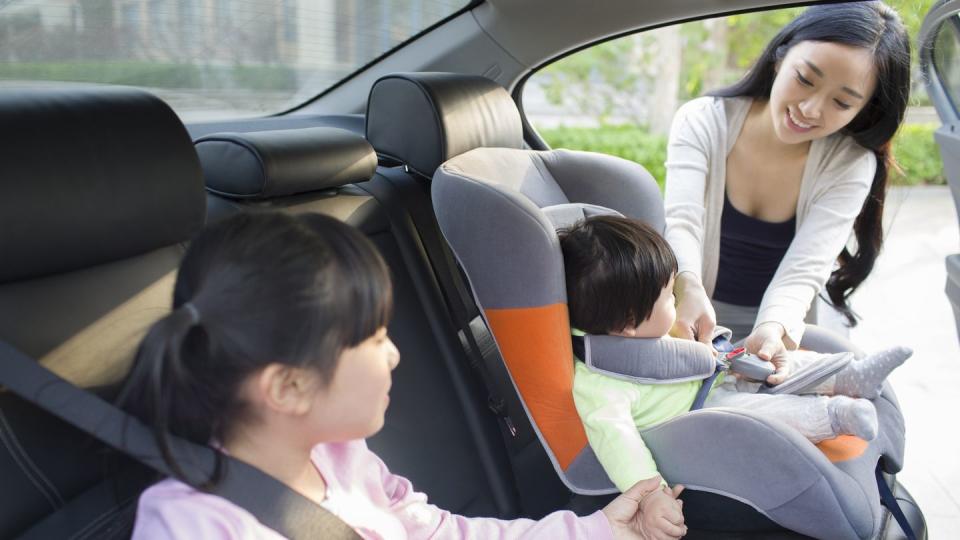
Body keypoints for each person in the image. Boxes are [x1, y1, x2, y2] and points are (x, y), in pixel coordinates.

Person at [117, 211, 686, 540]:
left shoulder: (344, 459)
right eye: (374, 340)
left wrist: (597, 531)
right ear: (288, 386)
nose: (393, 356)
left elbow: (439, 533)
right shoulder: (194, 523)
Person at [560, 215, 912, 494]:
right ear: (628, 324)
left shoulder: (641, 324)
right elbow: (617, 443)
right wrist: (650, 494)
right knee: (765, 413)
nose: (675, 299)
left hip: (716, 375)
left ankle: (847, 376)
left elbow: (691, 348)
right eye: (668, 296)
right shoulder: (601, 384)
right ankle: (836, 415)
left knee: (777, 363)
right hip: (702, 417)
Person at [663, 2, 912, 378]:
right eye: (806, 79)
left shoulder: (850, 163)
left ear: (864, 110)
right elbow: (681, 223)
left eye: (842, 102)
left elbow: (804, 270)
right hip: (685, 315)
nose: (811, 109)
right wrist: (687, 288)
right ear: (781, 58)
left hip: (782, 329)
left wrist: (773, 329)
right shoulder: (702, 120)